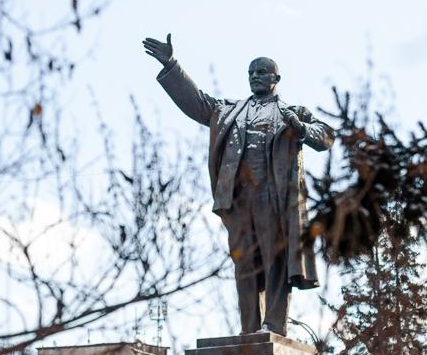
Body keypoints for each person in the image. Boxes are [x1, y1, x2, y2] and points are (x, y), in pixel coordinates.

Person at [143, 33, 333, 334]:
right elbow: (197, 103)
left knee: (274, 260)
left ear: (276, 78)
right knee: (244, 264)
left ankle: (273, 326)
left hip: (274, 197)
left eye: (262, 72)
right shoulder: (229, 111)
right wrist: (171, 65)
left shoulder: (292, 112)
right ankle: (249, 329)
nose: (255, 77)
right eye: (251, 73)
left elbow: (326, 136)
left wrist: (301, 129)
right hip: (239, 198)